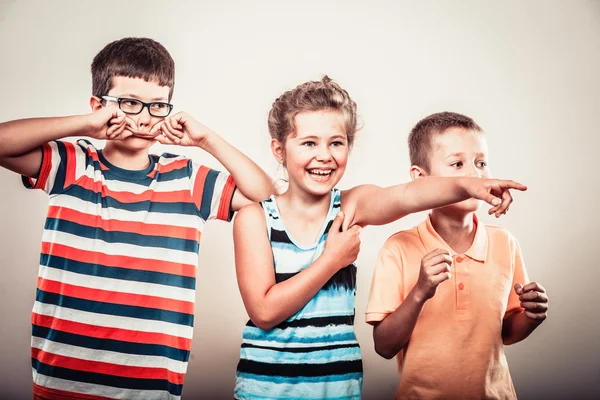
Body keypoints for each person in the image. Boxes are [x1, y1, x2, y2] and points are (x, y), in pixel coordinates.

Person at [0, 37, 276, 400]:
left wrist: (206, 140)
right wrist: (85, 125)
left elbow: (264, 192)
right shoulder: (73, 165)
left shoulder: (188, 179)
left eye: (157, 105)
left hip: (150, 387)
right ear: (98, 105)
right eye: (130, 103)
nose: (145, 117)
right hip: (62, 378)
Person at [233, 79, 527, 399]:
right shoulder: (255, 219)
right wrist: (332, 260)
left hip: (338, 389)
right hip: (265, 388)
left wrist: (470, 185)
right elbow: (263, 311)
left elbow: (409, 195)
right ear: (279, 150)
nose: (325, 155)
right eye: (309, 143)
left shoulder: (351, 206)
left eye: (336, 143)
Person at [366, 112, 549, 399]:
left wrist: (531, 316)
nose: (475, 175)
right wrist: (420, 292)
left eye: (481, 163)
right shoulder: (398, 248)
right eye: (457, 164)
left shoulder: (505, 244)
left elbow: (505, 333)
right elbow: (384, 346)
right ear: (420, 179)